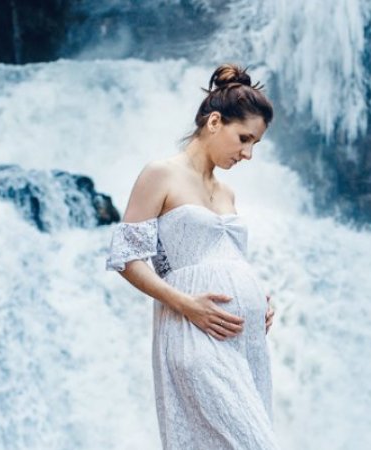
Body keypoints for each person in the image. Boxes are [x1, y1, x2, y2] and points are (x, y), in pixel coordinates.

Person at [105, 63, 278, 449]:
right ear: (214, 121)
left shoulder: (228, 194)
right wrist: (187, 305)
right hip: (195, 331)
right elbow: (126, 257)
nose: (248, 153)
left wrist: (257, 297)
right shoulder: (161, 174)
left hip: (245, 340)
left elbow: (225, 259)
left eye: (255, 144)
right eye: (244, 138)